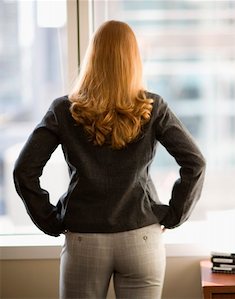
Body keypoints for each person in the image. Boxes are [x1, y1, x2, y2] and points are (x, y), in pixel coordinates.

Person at [13, 20, 206, 299]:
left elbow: (24, 170)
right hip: (141, 237)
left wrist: (50, 220)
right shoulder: (153, 107)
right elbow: (195, 162)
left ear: (93, 57)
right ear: (133, 60)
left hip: (84, 238)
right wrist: (174, 214)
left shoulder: (64, 109)